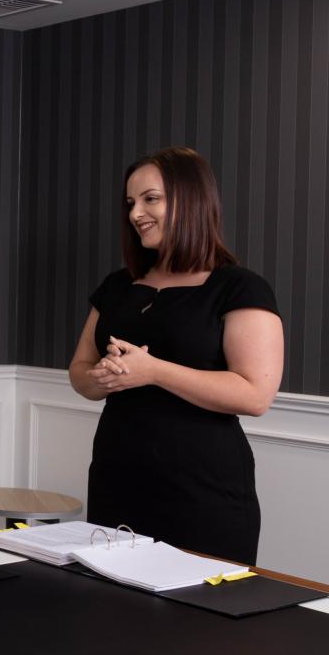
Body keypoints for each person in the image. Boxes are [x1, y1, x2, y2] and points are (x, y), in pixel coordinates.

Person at [68, 147, 283, 564]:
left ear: (192, 199)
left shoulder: (239, 287)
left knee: (201, 621)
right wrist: (104, 377)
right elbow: (79, 372)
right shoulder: (118, 285)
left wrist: (153, 372)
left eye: (151, 199)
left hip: (204, 489)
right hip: (118, 475)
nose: (136, 214)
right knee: (114, 615)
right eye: (131, 202)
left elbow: (255, 395)